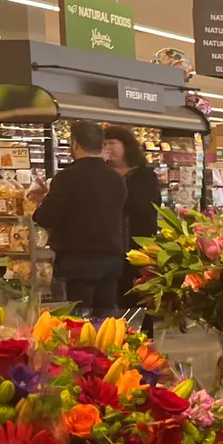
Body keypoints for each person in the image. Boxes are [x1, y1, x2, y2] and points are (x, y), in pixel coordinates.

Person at [31, 121, 127, 317]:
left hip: (78, 263)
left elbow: (45, 218)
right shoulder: (116, 178)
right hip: (111, 261)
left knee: (77, 321)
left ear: (75, 144)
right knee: (106, 321)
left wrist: (41, 200)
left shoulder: (67, 178)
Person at [102, 125, 162, 304]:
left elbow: (145, 206)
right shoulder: (102, 174)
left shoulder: (144, 175)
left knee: (138, 298)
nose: (107, 148)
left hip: (138, 246)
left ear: (126, 146)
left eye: (112, 143)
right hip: (109, 250)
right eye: (104, 144)